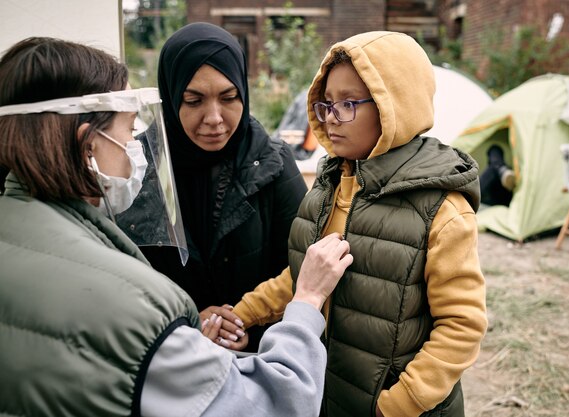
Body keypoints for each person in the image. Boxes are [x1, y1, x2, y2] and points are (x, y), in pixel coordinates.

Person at [0, 36, 353, 417]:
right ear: (88, 145)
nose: (214, 118)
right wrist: (304, 302)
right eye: (129, 128)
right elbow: (276, 403)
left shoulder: (18, 229)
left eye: (229, 97)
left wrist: (244, 321)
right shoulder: (131, 306)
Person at [229, 31, 488, 416]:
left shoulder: (441, 208)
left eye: (348, 104)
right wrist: (242, 314)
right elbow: (303, 276)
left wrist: (398, 404)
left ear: (394, 106)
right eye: (327, 104)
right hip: (329, 395)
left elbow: (462, 326)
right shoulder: (327, 187)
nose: (331, 118)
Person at [118, 22, 308, 351]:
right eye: (194, 101)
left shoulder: (274, 165)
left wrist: (250, 332)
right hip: (168, 365)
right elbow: (122, 287)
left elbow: (302, 275)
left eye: (229, 97)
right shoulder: (136, 168)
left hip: (256, 364)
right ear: (170, 97)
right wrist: (188, 320)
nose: (215, 117)